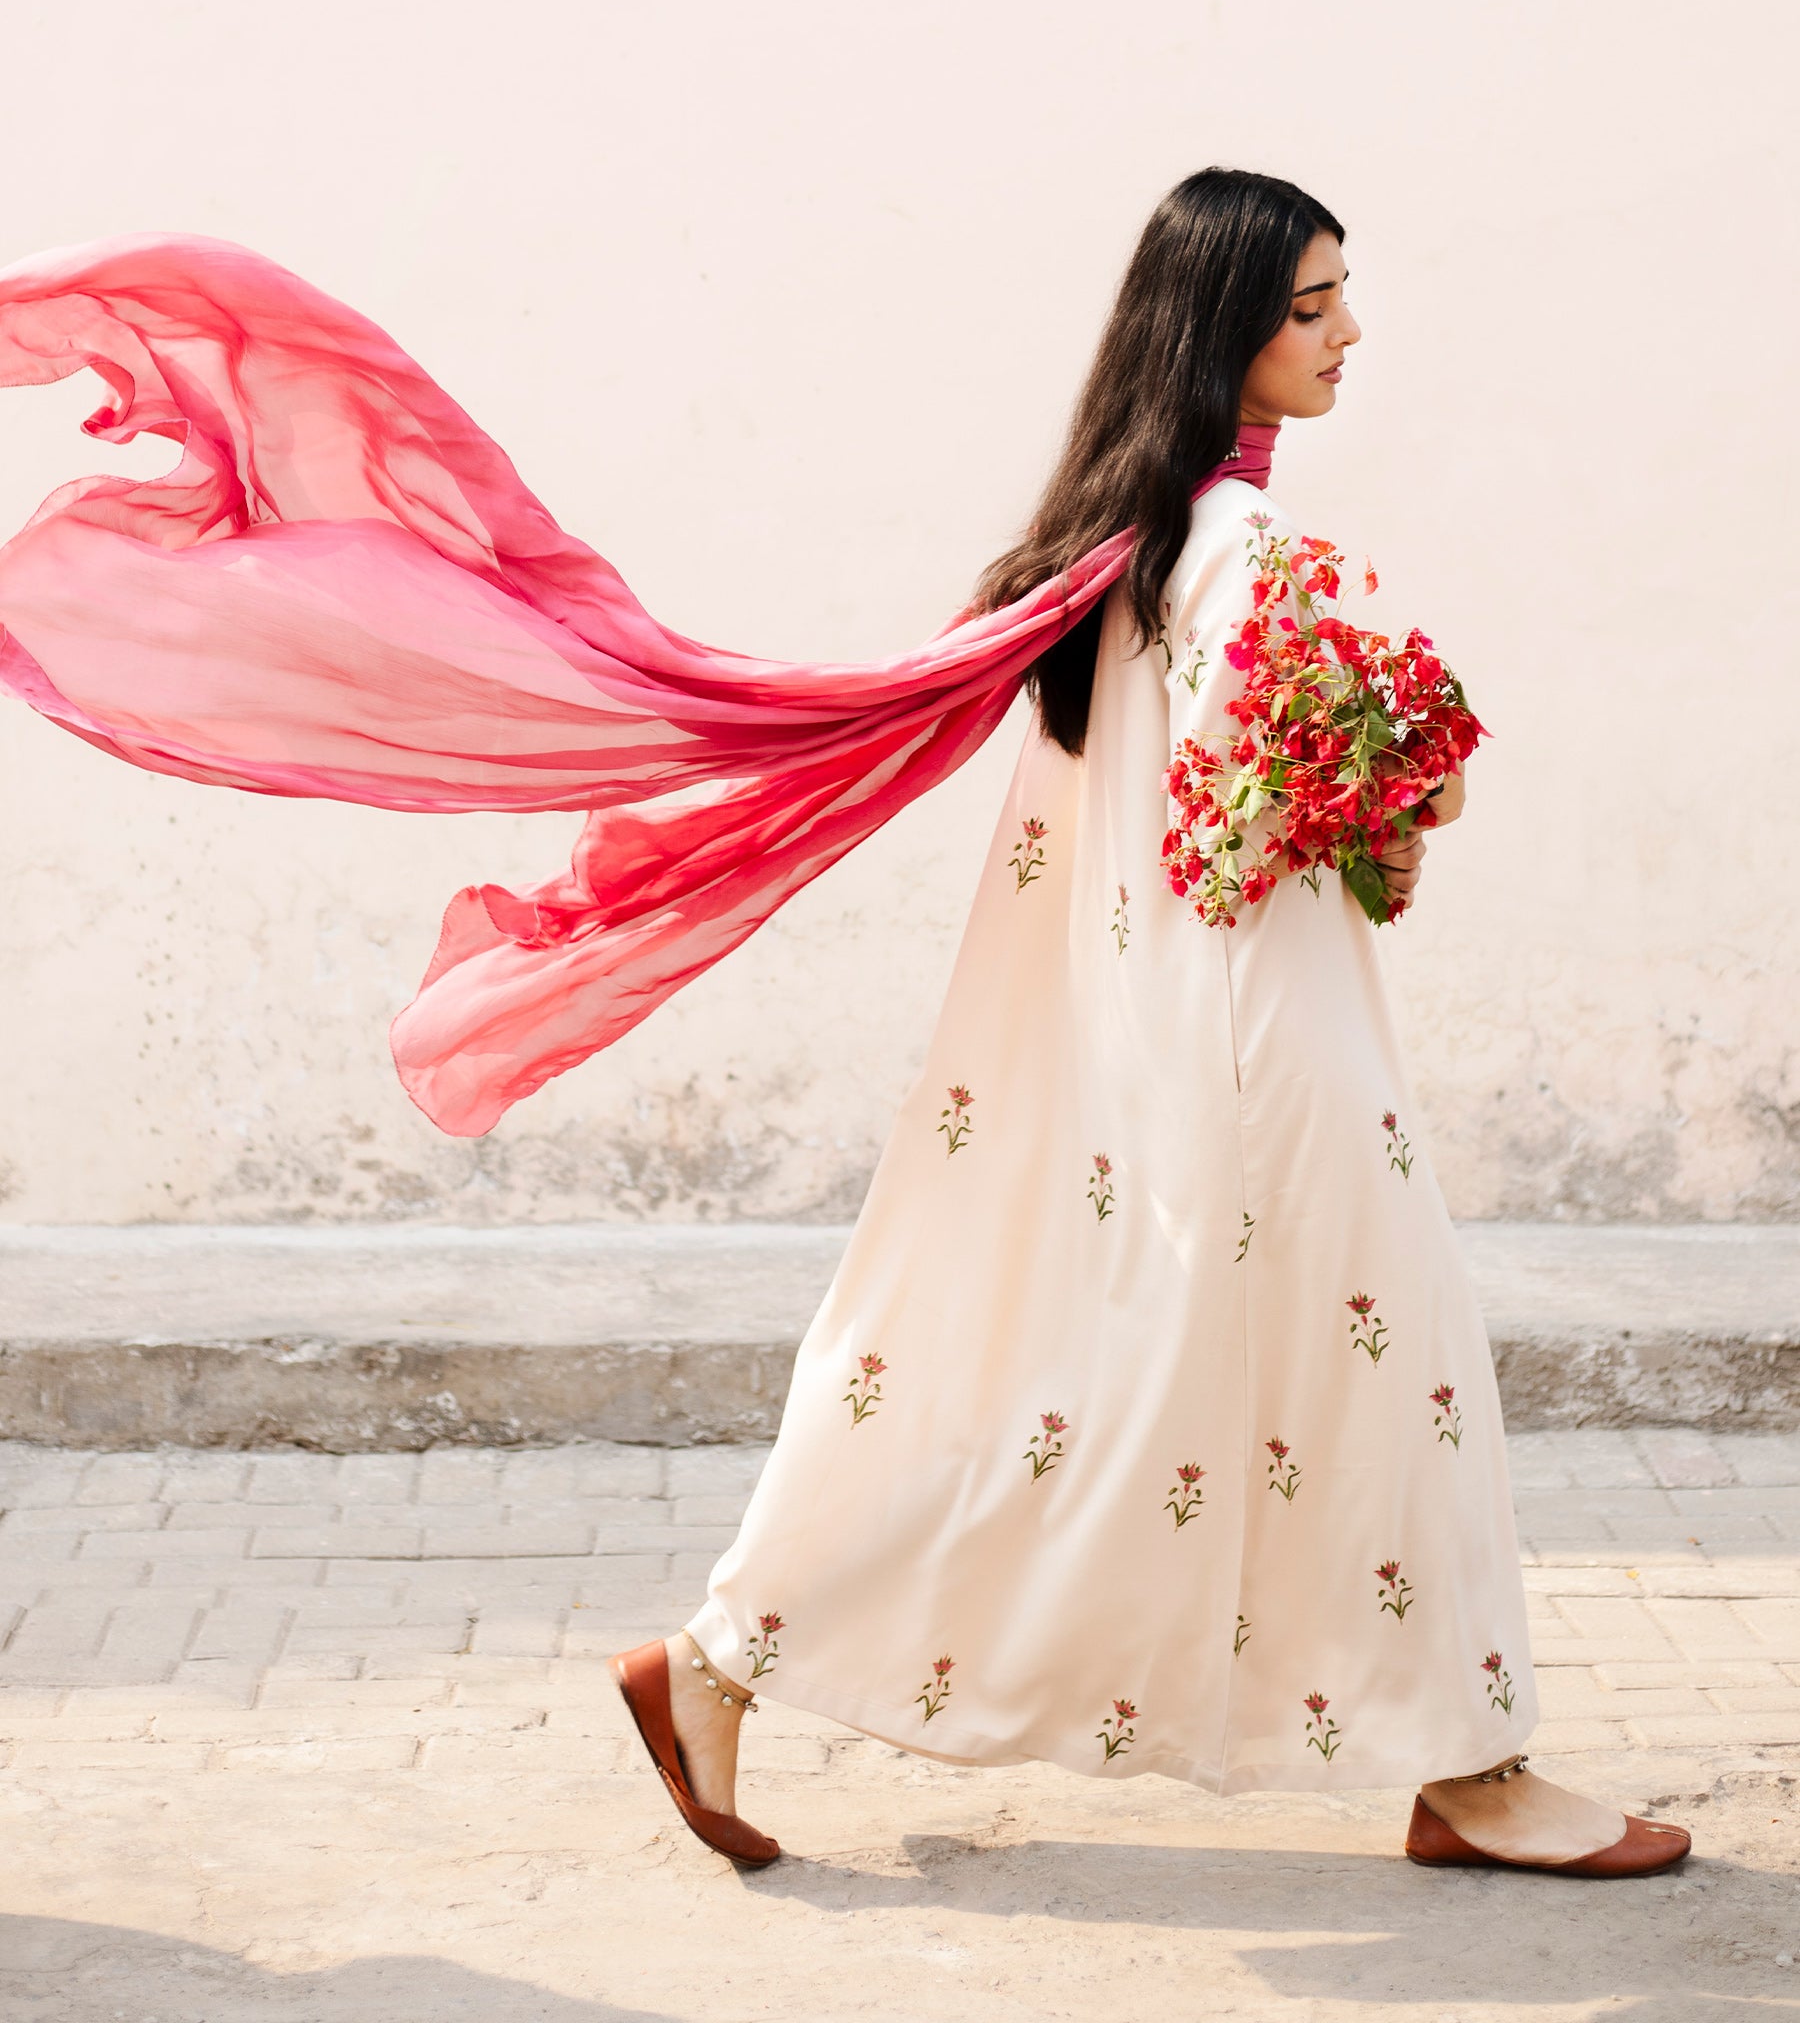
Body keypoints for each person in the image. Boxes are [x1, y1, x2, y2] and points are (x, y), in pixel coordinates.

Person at [609, 168, 1689, 1881]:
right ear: (1228, 324)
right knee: (1389, 1385)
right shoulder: (1238, 543)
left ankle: (731, 1656)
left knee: (1091, 1403)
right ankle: (1471, 1780)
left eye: (1345, 297)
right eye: (1311, 305)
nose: (1349, 334)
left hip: (1191, 1041)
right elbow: (1278, 806)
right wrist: (1420, 781)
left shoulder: (1118, 542)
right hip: (1274, 1052)